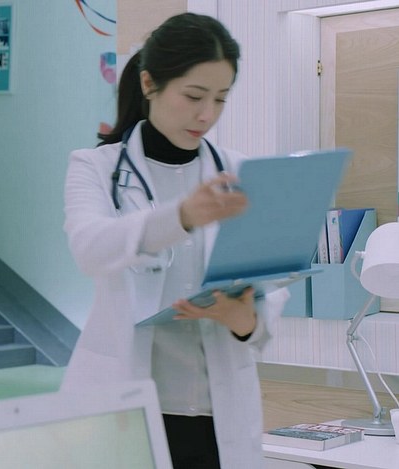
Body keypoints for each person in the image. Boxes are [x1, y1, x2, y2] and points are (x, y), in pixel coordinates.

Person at [61, 13, 288, 469]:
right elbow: (90, 248)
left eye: (220, 99)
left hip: (217, 418)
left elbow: (269, 284)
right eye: (194, 96)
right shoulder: (95, 167)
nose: (207, 115)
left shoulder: (239, 172)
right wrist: (180, 216)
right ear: (149, 83)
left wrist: (245, 320)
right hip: (128, 411)